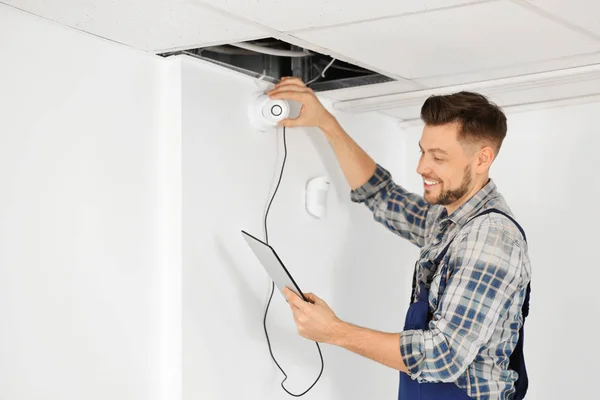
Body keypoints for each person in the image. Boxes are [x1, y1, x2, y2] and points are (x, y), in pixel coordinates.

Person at [267, 77, 532, 400]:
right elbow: (382, 196)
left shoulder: (489, 239)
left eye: (438, 156)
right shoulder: (448, 220)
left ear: (481, 159)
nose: (422, 167)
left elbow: (443, 355)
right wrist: (326, 123)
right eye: (422, 152)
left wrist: (333, 331)